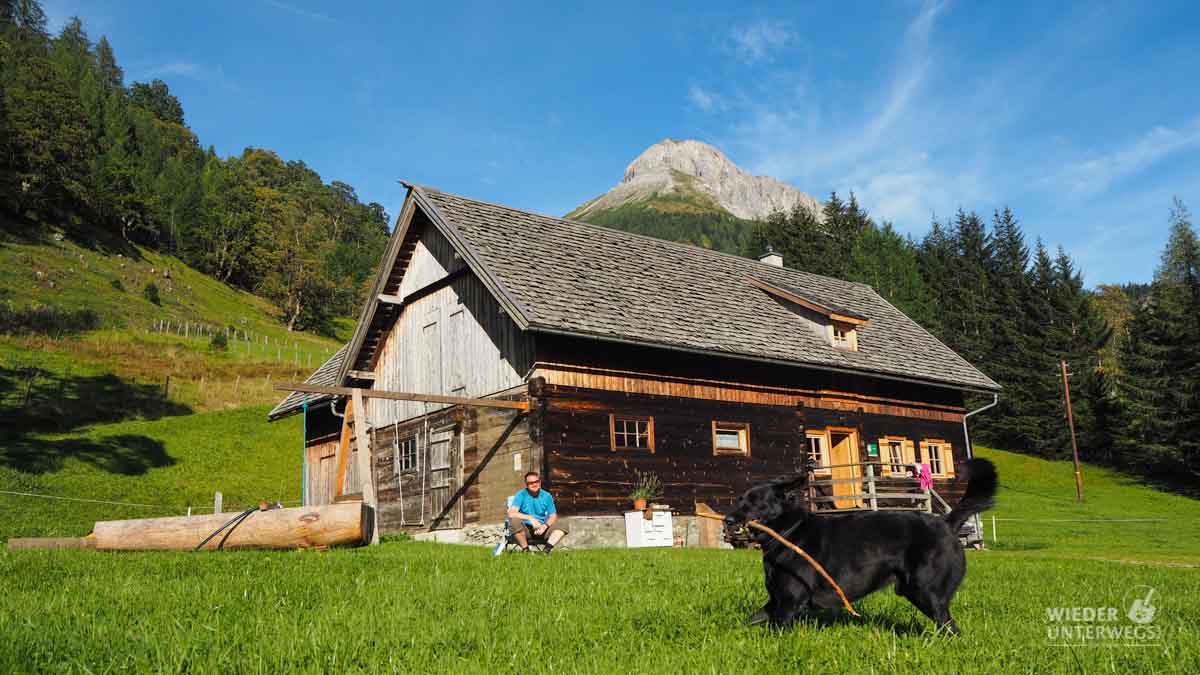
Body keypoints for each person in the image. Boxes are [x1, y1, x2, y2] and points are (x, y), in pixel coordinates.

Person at [508, 471, 568, 553]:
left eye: (536, 481)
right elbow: (511, 513)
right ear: (526, 484)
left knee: (563, 524)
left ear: (539, 482)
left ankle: (545, 552)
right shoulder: (521, 494)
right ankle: (526, 551)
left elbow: (553, 516)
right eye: (530, 483)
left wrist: (544, 526)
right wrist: (531, 518)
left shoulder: (547, 496)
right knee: (514, 521)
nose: (534, 484)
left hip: (542, 529)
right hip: (525, 530)